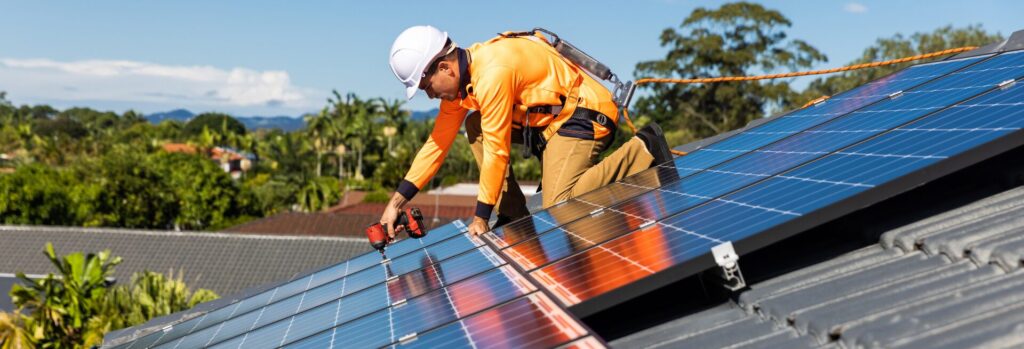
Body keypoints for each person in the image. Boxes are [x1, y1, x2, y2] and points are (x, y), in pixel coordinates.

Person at [379, 25, 672, 237]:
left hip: (584, 115)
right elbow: (437, 145)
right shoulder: (463, 88)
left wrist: (481, 216)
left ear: (445, 68)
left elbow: (497, 150)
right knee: (474, 123)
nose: (429, 96)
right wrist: (396, 203)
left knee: (561, 203)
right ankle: (513, 214)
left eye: (427, 86)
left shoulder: (493, 73)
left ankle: (644, 148)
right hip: (551, 125)